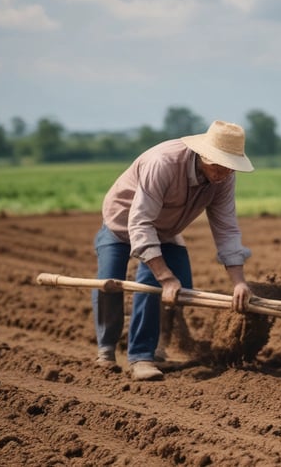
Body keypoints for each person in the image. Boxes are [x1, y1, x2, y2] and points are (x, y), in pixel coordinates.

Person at [93, 120, 255, 381]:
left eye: (230, 166)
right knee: (112, 284)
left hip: (166, 230)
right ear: (204, 154)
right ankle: (117, 351)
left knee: (180, 288)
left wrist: (239, 282)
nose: (225, 171)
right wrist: (165, 277)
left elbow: (226, 228)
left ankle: (154, 346)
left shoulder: (223, 177)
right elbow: (140, 222)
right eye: (219, 163)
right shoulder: (164, 163)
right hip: (122, 222)